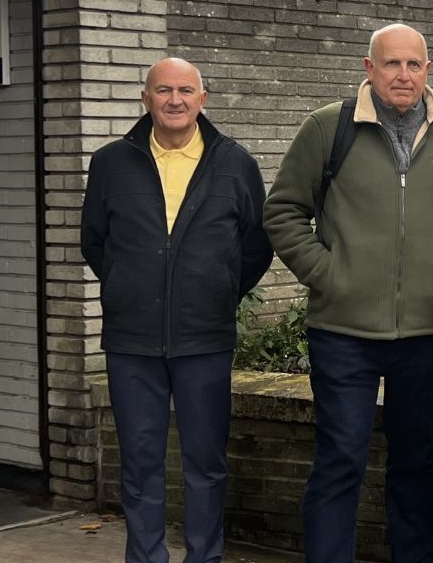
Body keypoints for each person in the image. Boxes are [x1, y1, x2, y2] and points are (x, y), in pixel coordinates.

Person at [264, 23, 433, 562]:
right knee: (340, 460)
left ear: (427, 71)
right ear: (369, 68)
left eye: (414, 65)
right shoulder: (329, 128)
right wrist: (329, 273)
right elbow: (282, 212)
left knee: (416, 463)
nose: (404, 75)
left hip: (426, 334)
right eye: (392, 64)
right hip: (343, 334)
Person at [81, 57, 271, 563]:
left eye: (186, 90)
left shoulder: (236, 164)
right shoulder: (110, 163)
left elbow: (255, 247)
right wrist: (133, 288)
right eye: (163, 90)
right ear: (145, 99)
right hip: (132, 340)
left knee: (205, 463)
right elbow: (95, 243)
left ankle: (204, 557)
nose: (175, 100)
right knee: (140, 464)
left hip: (204, 338)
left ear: (202, 99)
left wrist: (213, 292)